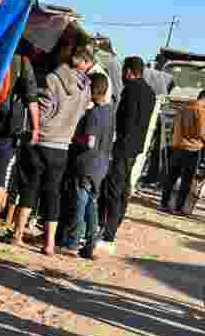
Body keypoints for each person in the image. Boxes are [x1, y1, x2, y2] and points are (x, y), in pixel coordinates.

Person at [10, 45, 94, 255]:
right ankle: (48, 244)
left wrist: (36, 125)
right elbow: (83, 112)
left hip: (43, 140)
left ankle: (17, 235)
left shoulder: (53, 80)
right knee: (52, 194)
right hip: (63, 145)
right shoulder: (86, 86)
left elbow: (44, 110)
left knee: (30, 188)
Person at [99, 56, 155, 252]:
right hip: (135, 148)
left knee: (114, 189)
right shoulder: (150, 92)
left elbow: (128, 121)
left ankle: (108, 234)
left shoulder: (131, 89)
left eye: (124, 72)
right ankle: (114, 226)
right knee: (123, 189)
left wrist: (117, 145)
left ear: (129, 71)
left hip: (124, 147)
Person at [0, 47, 39, 237]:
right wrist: (35, 127)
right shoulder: (23, 63)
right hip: (9, 128)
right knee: (1, 177)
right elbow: (32, 99)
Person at [58, 73, 113, 259]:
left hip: (86, 164)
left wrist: (73, 139)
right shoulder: (110, 111)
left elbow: (89, 142)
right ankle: (90, 245)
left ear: (92, 90)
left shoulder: (93, 114)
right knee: (92, 205)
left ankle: (73, 243)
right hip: (102, 165)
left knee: (79, 204)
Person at [162, 90, 205, 213]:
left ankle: (164, 203)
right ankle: (179, 207)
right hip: (193, 149)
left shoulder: (183, 108)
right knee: (186, 180)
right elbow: (202, 132)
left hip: (177, 146)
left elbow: (175, 127)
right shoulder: (201, 111)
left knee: (171, 177)